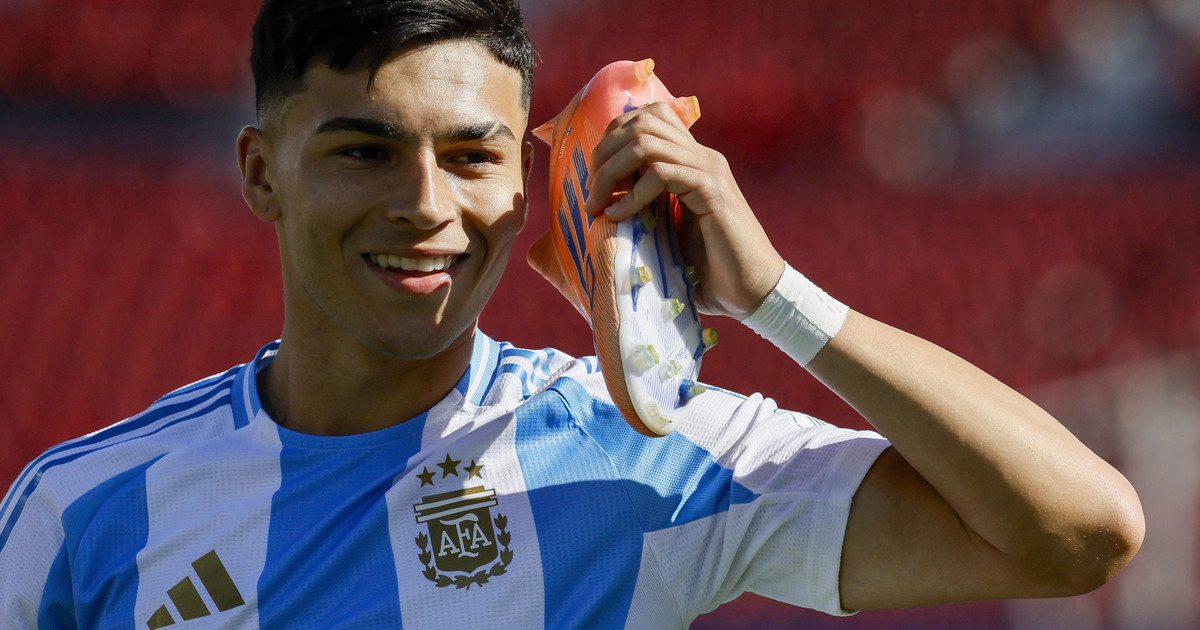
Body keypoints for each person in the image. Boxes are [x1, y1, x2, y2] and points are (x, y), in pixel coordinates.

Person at [0, 0, 1143, 627]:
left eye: (472, 157)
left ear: (528, 185)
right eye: (364, 152)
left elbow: (1080, 531)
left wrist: (773, 298)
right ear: (262, 173)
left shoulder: (640, 456)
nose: (427, 206)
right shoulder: (81, 514)